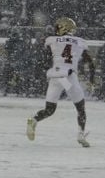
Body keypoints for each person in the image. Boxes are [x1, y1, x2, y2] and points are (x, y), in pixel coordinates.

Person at [26, 17, 95, 148]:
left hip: (56, 75)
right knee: (80, 108)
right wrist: (91, 80)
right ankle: (81, 133)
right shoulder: (80, 42)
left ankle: (34, 119)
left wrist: (40, 72)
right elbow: (90, 63)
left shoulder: (51, 40)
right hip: (68, 76)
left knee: (49, 109)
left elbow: (43, 60)